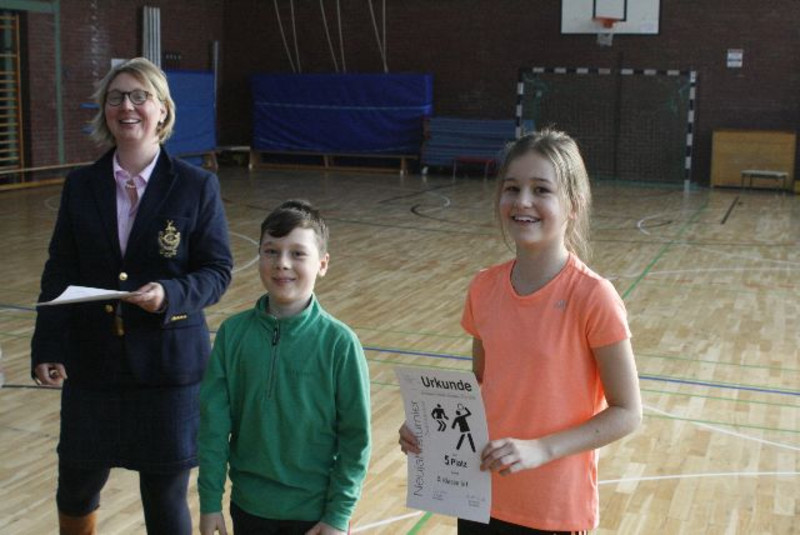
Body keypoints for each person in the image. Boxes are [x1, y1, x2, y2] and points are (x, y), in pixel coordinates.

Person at [398, 129, 642, 534]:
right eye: (512, 188)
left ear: (574, 204)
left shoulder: (594, 296)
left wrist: (541, 449)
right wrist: (430, 429)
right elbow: (480, 385)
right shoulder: (483, 286)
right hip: (481, 495)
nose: (523, 201)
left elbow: (628, 412)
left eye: (541, 189)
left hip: (553, 509)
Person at [31, 57, 233, 535]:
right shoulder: (81, 185)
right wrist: (48, 345)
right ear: (105, 110)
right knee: (76, 485)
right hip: (92, 362)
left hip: (168, 368)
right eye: (116, 97)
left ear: (162, 110)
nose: (127, 106)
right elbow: (59, 270)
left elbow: (217, 272)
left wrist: (170, 293)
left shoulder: (196, 186)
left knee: (164, 497)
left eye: (140, 96)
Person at [198, 199, 371, 535]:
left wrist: (338, 515)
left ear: (322, 264)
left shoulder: (340, 344)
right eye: (271, 252)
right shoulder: (233, 334)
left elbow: (356, 439)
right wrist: (209, 502)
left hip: (316, 515)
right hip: (248, 508)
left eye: (298, 253)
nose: (282, 264)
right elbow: (214, 427)